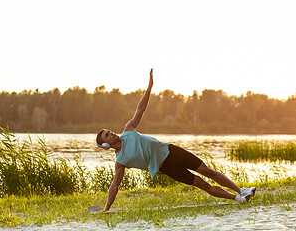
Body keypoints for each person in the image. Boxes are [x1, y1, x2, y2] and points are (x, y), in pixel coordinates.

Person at [96, 69, 256, 212]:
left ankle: (241, 190)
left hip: (172, 151)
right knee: (201, 183)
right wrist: (106, 208)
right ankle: (237, 199)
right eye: (107, 135)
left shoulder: (128, 129)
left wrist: (149, 87)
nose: (111, 134)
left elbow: (140, 109)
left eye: (109, 132)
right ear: (106, 144)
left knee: (207, 171)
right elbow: (114, 186)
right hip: (167, 168)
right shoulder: (120, 161)